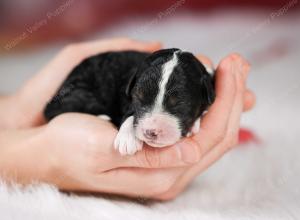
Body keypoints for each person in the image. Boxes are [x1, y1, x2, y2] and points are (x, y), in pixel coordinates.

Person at [0, 38, 255, 200]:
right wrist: (35, 154)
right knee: (73, 102)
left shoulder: (202, 84)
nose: (152, 127)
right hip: (88, 87)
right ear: (133, 86)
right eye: (142, 99)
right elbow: (129, 107)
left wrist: (14, 114)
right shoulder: (134, 82)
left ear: (206, 96)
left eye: (177, 107)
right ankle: (68, 110)